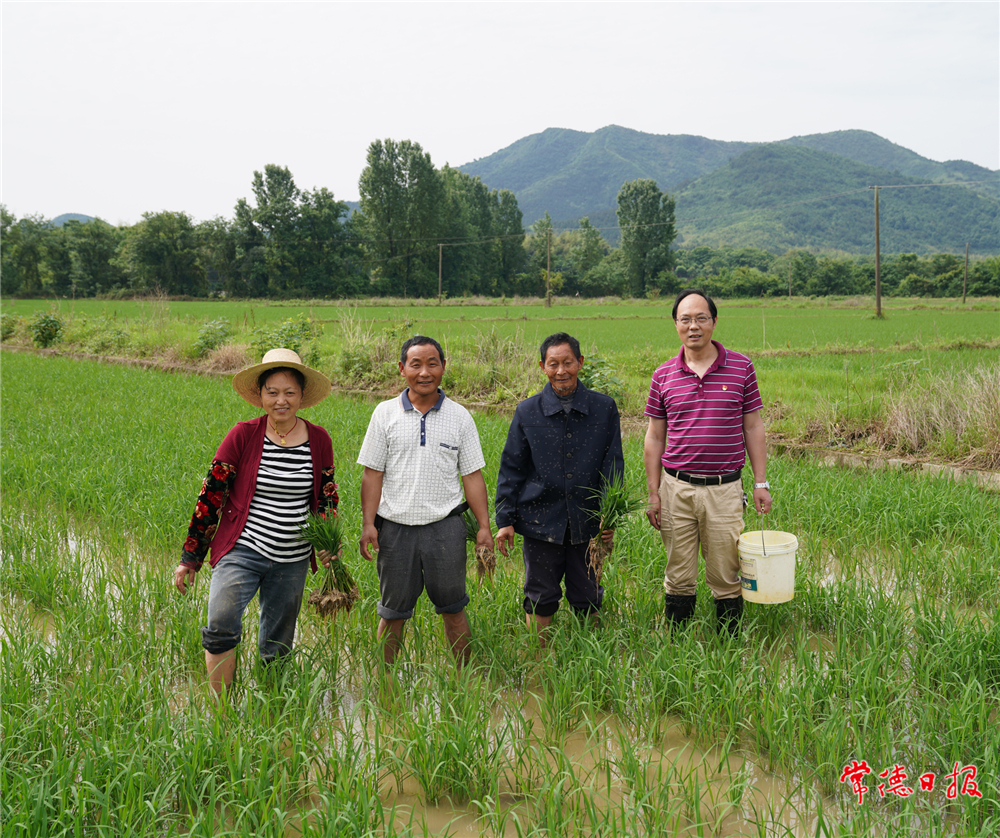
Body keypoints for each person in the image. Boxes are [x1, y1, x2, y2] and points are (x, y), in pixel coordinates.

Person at [173, 348, 339, 694]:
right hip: (243, 548)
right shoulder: (244, 435)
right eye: (272, 392)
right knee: (220, 621)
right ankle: (222, 712)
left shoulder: (319, 439)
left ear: (302, 396)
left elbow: (326, 497)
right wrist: (191, 557)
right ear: (260, 395)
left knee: (277, 644)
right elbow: (211, 496)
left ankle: (270, 710)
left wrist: (328, 545)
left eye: (289, 392)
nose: (281, 400)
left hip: (292, 557)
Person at [643, 289, 772, 637]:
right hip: (676, 489)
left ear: (714, 322)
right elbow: (655, 437)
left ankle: (728, 648)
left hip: (725, 489)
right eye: (685, 319)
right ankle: (678, 646)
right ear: (676, 325)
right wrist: (653, 493)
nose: (693, 326)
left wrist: (760, 483)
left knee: (726, 574)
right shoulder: (663, 375)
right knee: (679, 573)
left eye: (701, 318)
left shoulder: (741, 367)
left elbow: (753, 426)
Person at [357, 335, 492, 667]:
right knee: (393, 612)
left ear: (444, 367)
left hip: (444, 528)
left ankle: (466, 679)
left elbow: (472, 476)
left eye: (433, 363)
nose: (424, 372)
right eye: (415, 364)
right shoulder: (384, 413)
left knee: (453, 608)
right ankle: (384, 681)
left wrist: (485, 527)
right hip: (395, 530)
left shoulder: (460, 417)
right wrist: (368, 524)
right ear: (402, 369)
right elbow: (372, 474)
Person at [495, 333, 624, 643]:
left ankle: (589, 661)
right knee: (540, 595)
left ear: (580, 363)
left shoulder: (603, 408)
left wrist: (609, 517)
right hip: (540, 519)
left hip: (588, 520)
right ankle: (540, 663)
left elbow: (613, 466)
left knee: (588, 593)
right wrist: (505, 520)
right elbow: (512, 467)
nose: (561, 371)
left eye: (568, 362)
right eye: (554, 364)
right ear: (543, 366)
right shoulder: (528, 411)